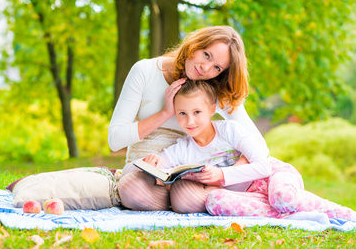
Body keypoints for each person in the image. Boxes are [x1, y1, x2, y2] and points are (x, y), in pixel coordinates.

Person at [119, 80, 356, 221]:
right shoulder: (183, 148)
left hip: (271, 177)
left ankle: (345, 215)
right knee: (215, 200)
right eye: (182, 113)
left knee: (282, 197)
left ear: (212, 109)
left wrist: (222, 175)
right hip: (244, 197)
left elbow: (263, 164)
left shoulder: (229, 130)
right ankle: (291, 216)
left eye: (197, 112)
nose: (189, 121)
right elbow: (149, 164)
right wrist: (153, 161)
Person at [108, 26, 262, 210]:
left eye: (217, 67)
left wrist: (225, 174)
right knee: (131, 190)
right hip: (147, 175)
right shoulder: (145, 71)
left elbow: (259, 145)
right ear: (195, 45)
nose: (205, 68)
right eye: (206, 55)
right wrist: (165, 113)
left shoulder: (214, 91)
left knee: (184, 193)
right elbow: (115, 140)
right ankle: (187, 202)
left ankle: (188, 200)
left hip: (192, 181)